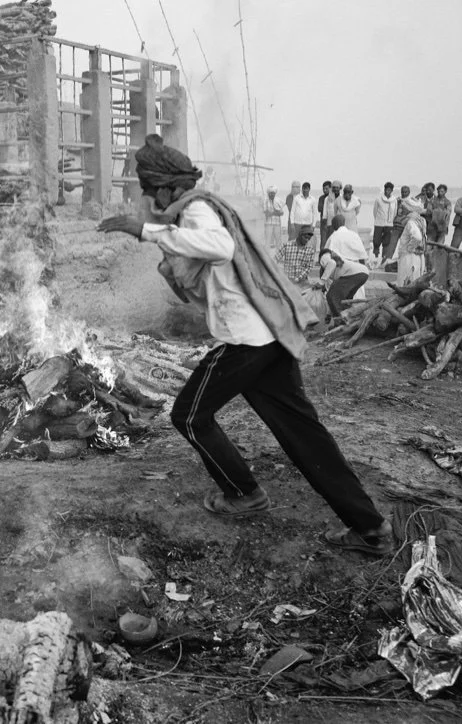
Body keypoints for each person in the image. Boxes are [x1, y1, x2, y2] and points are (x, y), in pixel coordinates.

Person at [95, 134, 393, 556]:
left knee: (189, 415)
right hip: (267, 337)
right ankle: (370, 526)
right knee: (304, 434)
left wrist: (145, 231)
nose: (146, 198)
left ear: (164, 189)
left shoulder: (196, 210)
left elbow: (221, 247)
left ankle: (244, 492)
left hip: (246, 341)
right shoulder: (197, 209)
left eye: (147, 190)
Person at [317, 248, 369, 317]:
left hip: (354, 273)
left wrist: (321, 282)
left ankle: (339, 319)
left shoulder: (324, 257)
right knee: (345, 299)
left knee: (333, 296)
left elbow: (332, 263)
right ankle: (349, 317)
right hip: (363, 273)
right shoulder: (333, 261)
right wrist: (328, 314)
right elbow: (331, 288)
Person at [395, 197, 427, 286]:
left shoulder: (411, 222)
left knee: (405, 284)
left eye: (404, 208)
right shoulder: (421, 220)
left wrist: (410, 248)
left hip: (409, 258)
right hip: (418, 257)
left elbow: (417, 237)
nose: (401, 210)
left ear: (409, 209)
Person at [372, 182, 397, 260]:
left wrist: (390, 221)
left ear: (392, 190)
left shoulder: (394, 200)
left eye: (389, 190)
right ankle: (376, 257)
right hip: (379, 223)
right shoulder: (378, 199)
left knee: (386, 242)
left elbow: (395, 212)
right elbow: (375, 211)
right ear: (384, 189)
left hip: (389, 224)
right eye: (386, 189)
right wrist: (379, 219)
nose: (387, 191)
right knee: (376, 241)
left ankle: (384, 258)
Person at [389, 185, 412, 262]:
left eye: (406, 192)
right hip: (396, 226)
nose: (404, 194)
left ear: (409, 192)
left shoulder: (412, 202)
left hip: (406, 228)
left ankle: (403, 262)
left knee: (404, 247)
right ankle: (387, 261)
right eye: (402, 192)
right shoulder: (397, 201)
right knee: (391, 246)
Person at [321, 180, 343, 247]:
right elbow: (325, 212)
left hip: (340, 224)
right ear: (332, 188)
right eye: (334, 187)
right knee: (330, 240)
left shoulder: (342, 198)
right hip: (330, 223)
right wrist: (324, 222)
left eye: (337, 187)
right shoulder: (327, 198)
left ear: (340, 188)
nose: (335, 189)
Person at [262, 185, 285, 250]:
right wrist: (276, 212)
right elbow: (266, 213)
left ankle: (278, 254)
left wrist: (272, 212)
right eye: (270, 193)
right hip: (268, 224)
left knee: (278, 240)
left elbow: (282, 213)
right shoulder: (265, 201)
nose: (272, 194)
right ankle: (266, 254)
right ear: (268, 193)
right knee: (267, 240)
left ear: (275, 193)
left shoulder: (278, 200)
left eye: (273, 193)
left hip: (277, 224)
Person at [318, 180, 332, 246]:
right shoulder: (321, 198)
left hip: (332, 223)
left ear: (330, 188)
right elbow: (319, 209)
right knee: (323, 241)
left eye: (326, 189)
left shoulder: (334, 197)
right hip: (324, 222)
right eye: (323, 189)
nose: (324, 190)